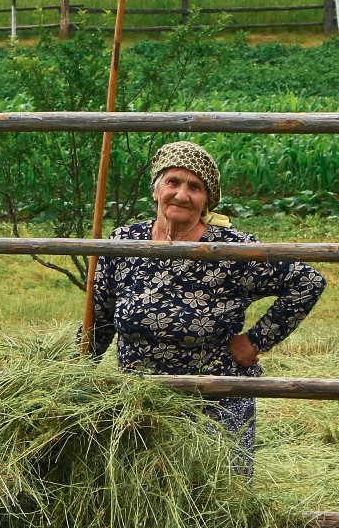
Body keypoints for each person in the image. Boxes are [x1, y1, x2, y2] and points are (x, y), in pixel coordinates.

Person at [87, 141, 325, 473]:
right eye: (173, 182)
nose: (182, 195)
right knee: (148, 505)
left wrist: (256, 340)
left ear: (207, 201)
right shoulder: (124, 241)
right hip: (141, 406)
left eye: (194, 187)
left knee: (215, 507)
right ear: (156, 190)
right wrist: (72, 378)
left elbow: (307, 282)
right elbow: (99, 320)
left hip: (215, 405)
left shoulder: (232, 249)